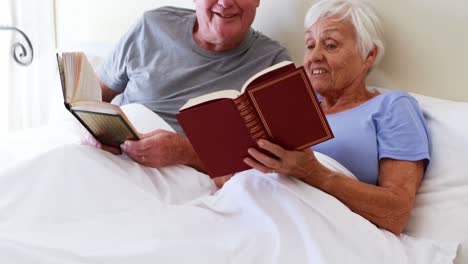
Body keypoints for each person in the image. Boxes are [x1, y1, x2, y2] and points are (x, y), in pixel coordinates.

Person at [219, 0, 429, 235]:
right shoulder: (290, 108)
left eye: (330, 45)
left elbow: (397, 213)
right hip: (248, 212)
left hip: (311, 227)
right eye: (310, 45)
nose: (314, 56)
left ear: (369, 54)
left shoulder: (391, 106)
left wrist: (314, 173)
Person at [85, 0, 290, 173]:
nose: (226, 3)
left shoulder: (273, 62)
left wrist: (188, 153)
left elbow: (275, 160)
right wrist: (100, 133)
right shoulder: (152, 26)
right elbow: (96, 97)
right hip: (118, 160)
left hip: (188, 179)